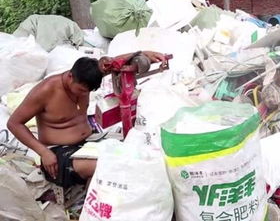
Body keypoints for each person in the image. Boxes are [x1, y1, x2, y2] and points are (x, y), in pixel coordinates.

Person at [7, 51, 167, 189]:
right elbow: (14, 123)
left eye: (88, 91)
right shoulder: (46, 90)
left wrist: (144, 53)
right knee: (109, 166)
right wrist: (43, 152)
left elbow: (114, 63)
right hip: (58, 153)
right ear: (70, 76)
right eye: (82, 90)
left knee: (139, 154)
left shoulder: (88, 77)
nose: (84, 93)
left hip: (90, 141)